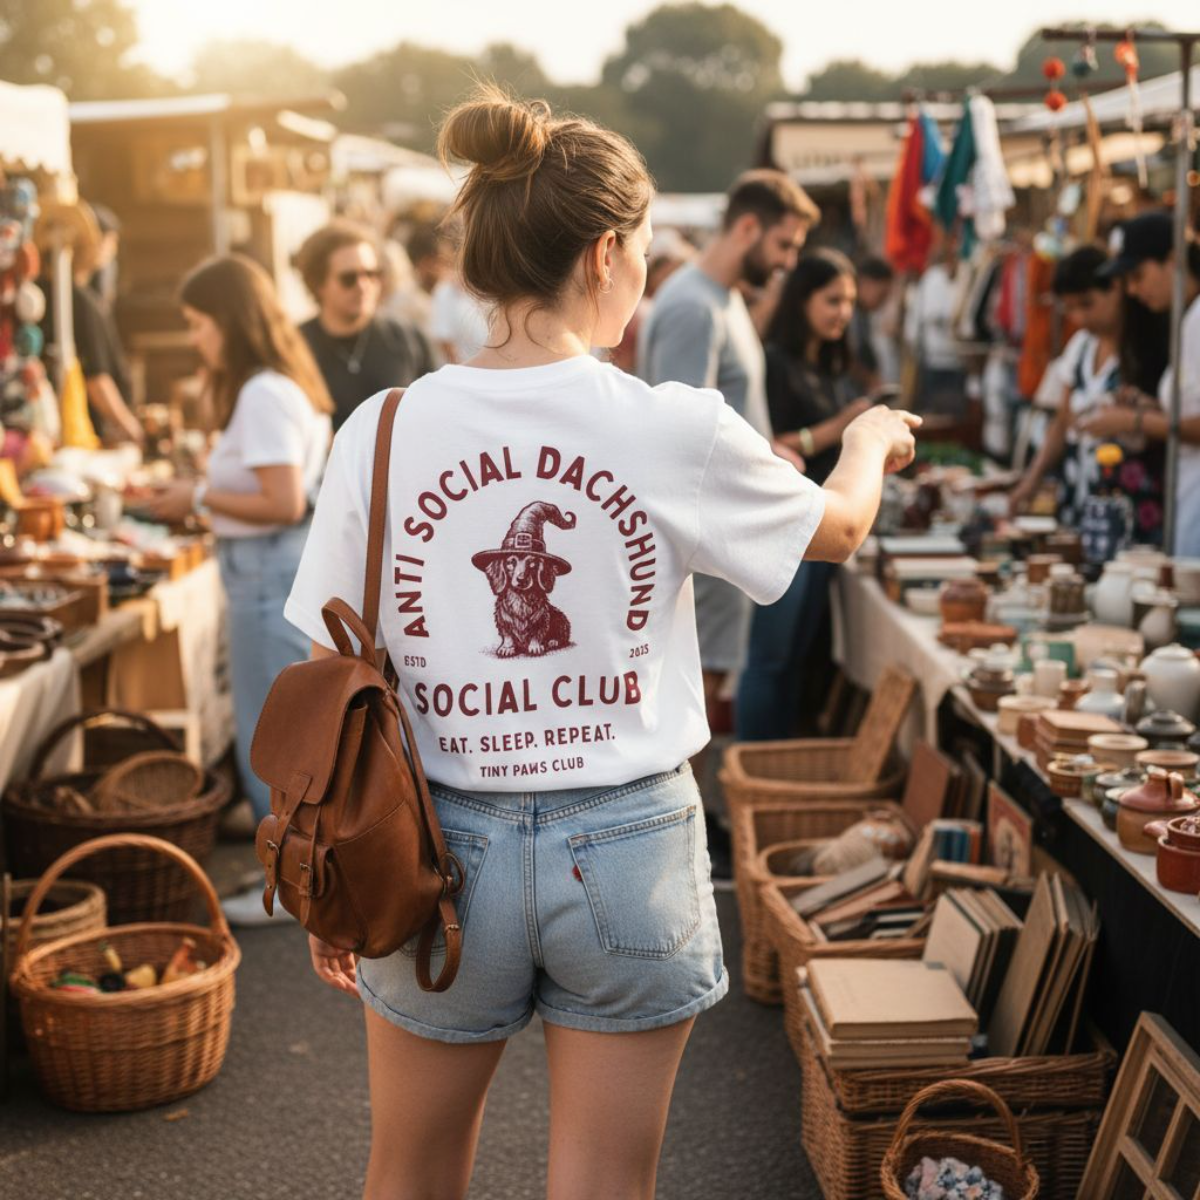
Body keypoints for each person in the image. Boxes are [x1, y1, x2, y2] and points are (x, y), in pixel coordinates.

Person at [282, 88, 918, 1200]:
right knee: (605, 1185)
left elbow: (336, 656)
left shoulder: (379, 430)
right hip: (627, 843)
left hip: (432, 846)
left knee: (411, 1170)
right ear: (608, 253)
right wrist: (864, 438)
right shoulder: (669, 423)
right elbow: (842, 528)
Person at [636, 168, 819, 878]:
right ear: (747, 227)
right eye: (784, 242)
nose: (789, 260)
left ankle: (689, 825)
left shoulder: (724, 300)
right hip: (705, 533)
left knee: (712, 679)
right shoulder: (692, 308)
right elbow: (685, 436)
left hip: (722, 526)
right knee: (701, 684)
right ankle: (680, 844)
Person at [144, 255, 334, 925]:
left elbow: (280, 500)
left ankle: (289, 886)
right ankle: (295, 872)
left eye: (198, 324)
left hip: (263, 571)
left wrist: (195, 495)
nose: (194, 338)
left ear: (228, 320)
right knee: (283, 731)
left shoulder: (261, 391)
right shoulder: (283, 382)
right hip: (270, 567)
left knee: (271, 735)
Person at [737, 250, 873, 742]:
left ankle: (778, 760)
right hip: (787, 528)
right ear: (804, 301)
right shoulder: (775, 363)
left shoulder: (832, 366)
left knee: (798, 657)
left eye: (850, 302)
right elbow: (771, 444)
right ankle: (749, 762)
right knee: (772, 657)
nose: (843, 312)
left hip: (822, 522)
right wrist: (843, 427)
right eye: (832, 299)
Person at [1097, 210, 1200, 554]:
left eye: (1138, 275)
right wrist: (1149, 407)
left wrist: (1133, 420)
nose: (1133, 290)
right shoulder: (1187, 320)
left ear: (1172, 261)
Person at [1008, 246, 1124, 525]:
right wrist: (1031, 480)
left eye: (1087, 304)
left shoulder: (1136, 352)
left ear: (1116, 290)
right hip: (1078, 490)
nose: (1079, 318)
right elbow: (1061, 421)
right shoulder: (1081, 346)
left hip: (1121, 495)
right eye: (1070, 309)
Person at [296, 221, 439, 431]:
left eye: (371, 274)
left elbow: (437, 411)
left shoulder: (408, 339)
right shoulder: (296, 347)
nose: (363, 286)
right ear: (318, 284)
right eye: (348, 278)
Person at [37, 203, 143, 446]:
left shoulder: (53, 293)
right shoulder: (80, 300)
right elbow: (97, 378)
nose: (112, 251)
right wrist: (130, 427)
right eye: (111, 242)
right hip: (84, 431)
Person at [905, 230, 968, 416]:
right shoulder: (932, 278)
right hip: (934, 359)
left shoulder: (966, 277)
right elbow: (920, 316)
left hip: (961, 361)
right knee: (936, 410)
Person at [849, 255, 898, 388]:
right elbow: (846, 357)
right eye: (881, 295)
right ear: (866, 283)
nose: (882, 303)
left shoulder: (864, 315)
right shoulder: (848, 312)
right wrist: (869, 379)